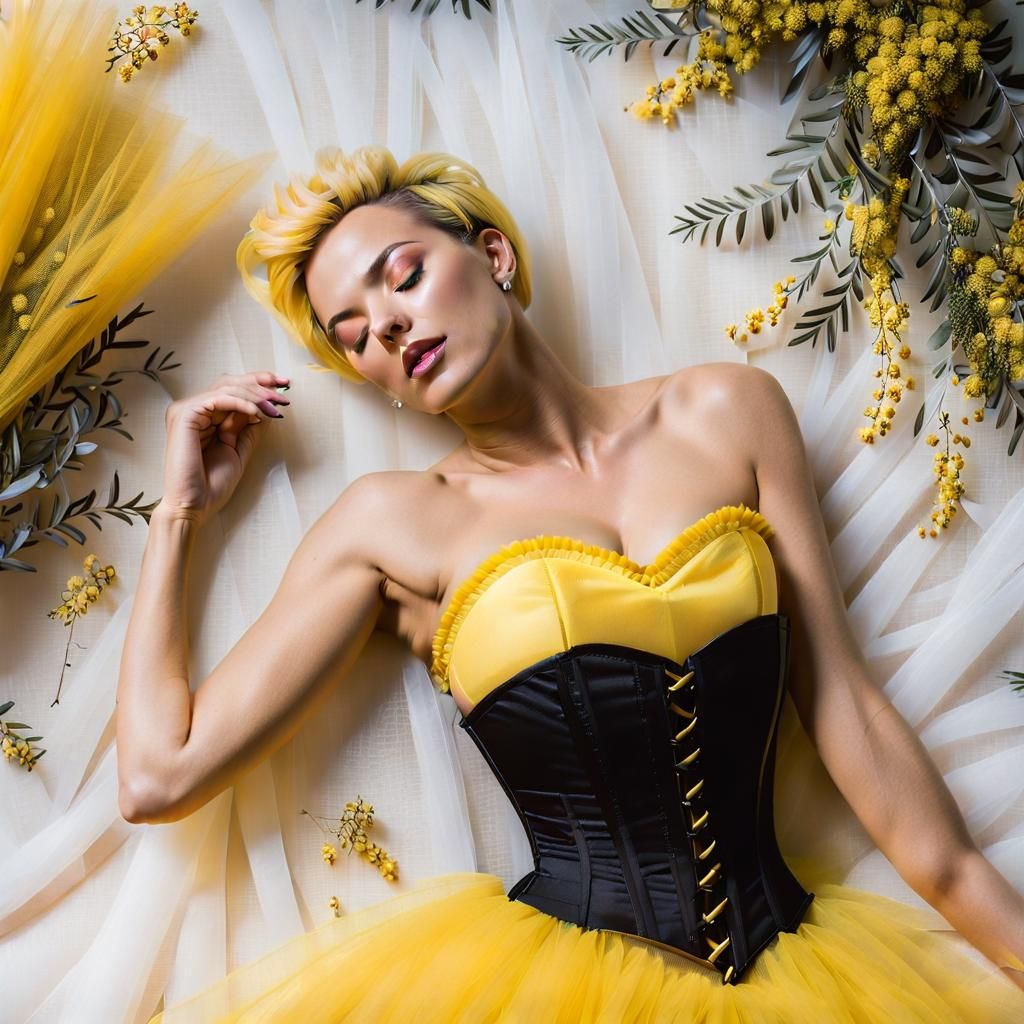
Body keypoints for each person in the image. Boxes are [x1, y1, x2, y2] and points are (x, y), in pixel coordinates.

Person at [118, 144, 1024, 1021]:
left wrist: (996, 921)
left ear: (493, 254)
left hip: (807, 972)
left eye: (402, 277)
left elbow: (847, 708)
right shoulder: (390, 522)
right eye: (355, 335)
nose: (387, 326)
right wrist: (179, 519)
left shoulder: (727, 410)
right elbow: (159, 775)